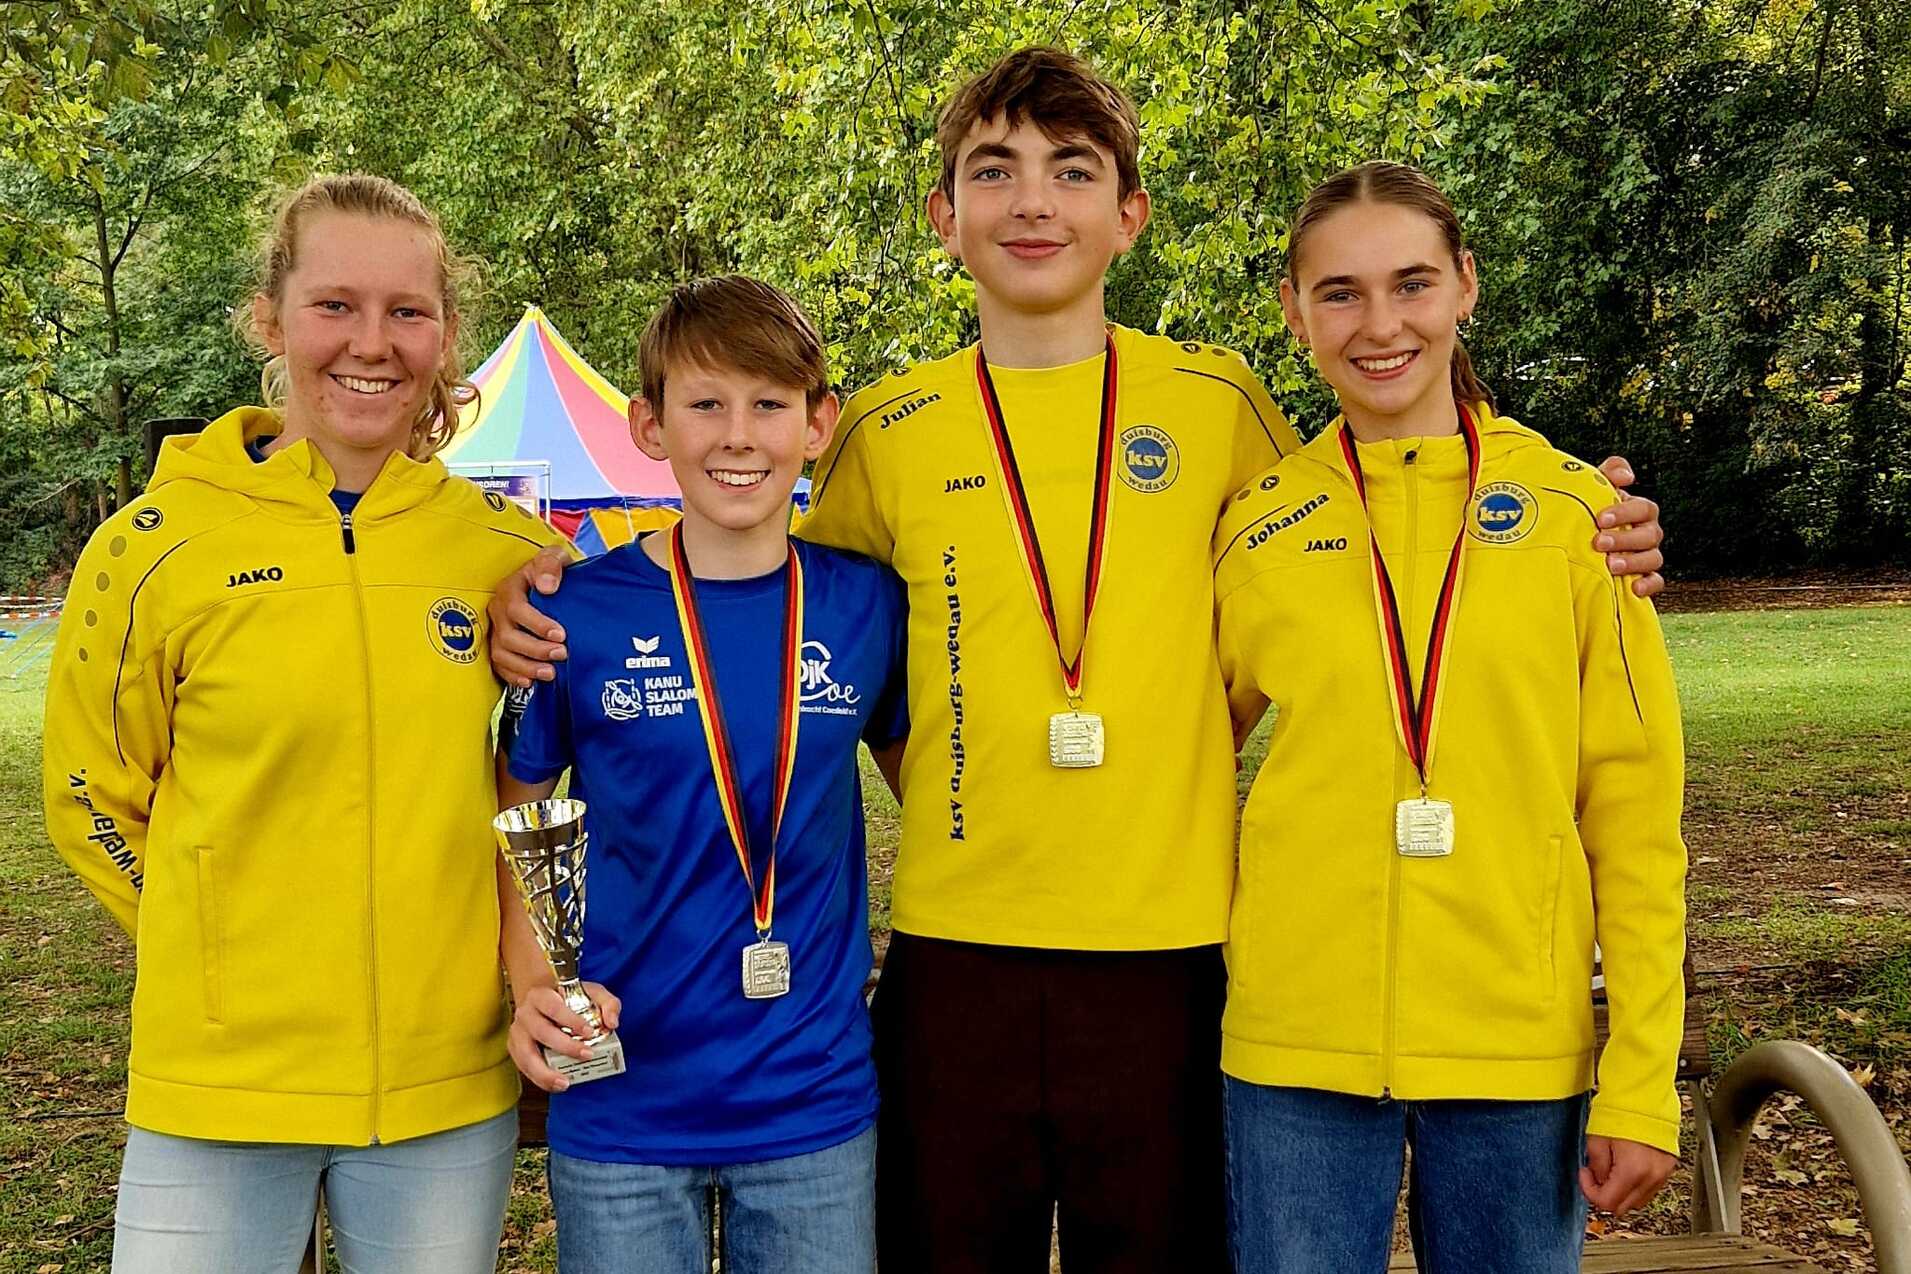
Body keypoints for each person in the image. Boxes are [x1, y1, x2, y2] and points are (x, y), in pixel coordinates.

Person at [489, 49, 1669, 1273]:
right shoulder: (891, 430)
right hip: (956, 965)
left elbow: (1373, 531)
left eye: (1072, 170)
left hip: (1170, 964)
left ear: (1130, 215)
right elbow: (758, 589)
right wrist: (541, 574)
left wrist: (1585, 507)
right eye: (993, 172)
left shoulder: (1216, 405)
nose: (1034, 203)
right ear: (946, 217)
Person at [41, 173, 567, 1273]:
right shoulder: (154, 543)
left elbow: (551, 785)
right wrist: (211, 951)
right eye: (334, 305)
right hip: (218, 1087)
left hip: (441, 1091)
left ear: (444, 333)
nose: (370, 343)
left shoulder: (505, 548)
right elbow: (90, 792)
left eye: (406, 311)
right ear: (270, 318)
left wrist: (517, 977)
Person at [1212, 160, 1686, 1273]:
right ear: (1294, 312)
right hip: (1296, 1053)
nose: (1380, 324)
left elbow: (1636, 809)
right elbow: (1182, 755)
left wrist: (1645, 1071)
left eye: (1412, 283)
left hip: (1519, 1050)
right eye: (1340, 292)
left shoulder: (1579, 516)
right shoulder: (1258, 525)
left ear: (1465, 285)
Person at [497, 276, 907, 1273]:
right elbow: (523, 820)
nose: (738, 434)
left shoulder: (866, 605)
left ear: (818, 424)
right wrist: (530, 984)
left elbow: (939, 793)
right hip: (624, 1094)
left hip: (811, 1097)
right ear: (649, 423)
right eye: (705, 403)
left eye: (769, 404)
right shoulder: (573, 611)